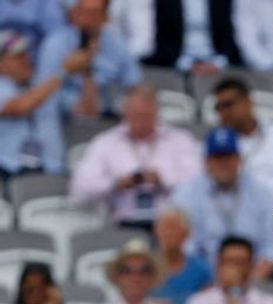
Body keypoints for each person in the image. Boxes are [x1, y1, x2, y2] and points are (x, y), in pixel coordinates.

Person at [68, 84, 202, 229]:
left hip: (170, 226)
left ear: (156, 112)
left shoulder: (180, 140)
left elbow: (198, 182)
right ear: (125, 112)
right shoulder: (105, 143)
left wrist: (163, 179)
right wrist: (114, 184)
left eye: (145, 115)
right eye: (135, 114)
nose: (140, 121)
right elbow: (79, 190)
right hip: (121, 225)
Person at [171, 126, 273, 279]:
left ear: (239, 159)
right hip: (202, 281)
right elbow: (186, 249)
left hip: (255, 278)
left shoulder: (263, 193)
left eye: (228, 157)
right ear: (206, 161)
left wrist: (249, 284)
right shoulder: (186, 195)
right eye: (218, 158)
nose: (223, 164)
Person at [0, 29, 88, 177]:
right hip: (12, 173)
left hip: (54, 170)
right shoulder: (48, 85)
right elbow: (22, 106)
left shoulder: (44, 86)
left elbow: (86, 111)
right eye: (18, 55)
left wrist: (87, 71)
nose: (27, 58)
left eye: (26, 53)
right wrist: (63, 71)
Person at [35, 0, 141, 120]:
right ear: (74, 14)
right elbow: (41, 94)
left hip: (106, 120)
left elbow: (133, 85)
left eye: (94, 13)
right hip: (64, 121)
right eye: (83, 12)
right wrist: (67, 70)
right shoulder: (55, 45)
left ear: (105, 17)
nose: (87, 20)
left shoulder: (117, 44)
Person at [211, 76, 273, 189]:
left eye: (228, 104)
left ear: (248, 102)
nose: (224, 112)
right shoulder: (218, 147)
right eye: (219, 108)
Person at [116, 0, 243, 73]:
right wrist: (184, 63)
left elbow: (233, 36)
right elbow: (160, 38)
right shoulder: (164, 2)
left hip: (218, 65)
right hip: (175, 66)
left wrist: (218, 63)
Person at [185, 235, 273, 304]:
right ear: (218, 265)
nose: (234, 269)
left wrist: (234, 291)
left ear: (251, 266)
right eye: (230, 261)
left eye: (241, 262)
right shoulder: (198, 303)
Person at [149, 206, 213, 304]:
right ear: (156, 232)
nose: (168, 233)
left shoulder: (201, 270)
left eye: (173, 228)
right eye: (164, 228)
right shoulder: (144, 266)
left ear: (187, 233)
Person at [102, 236, 174, 304]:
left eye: (144, 270)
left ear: (152, 277)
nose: (135, 277)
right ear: (116, 276)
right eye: (126, 270)